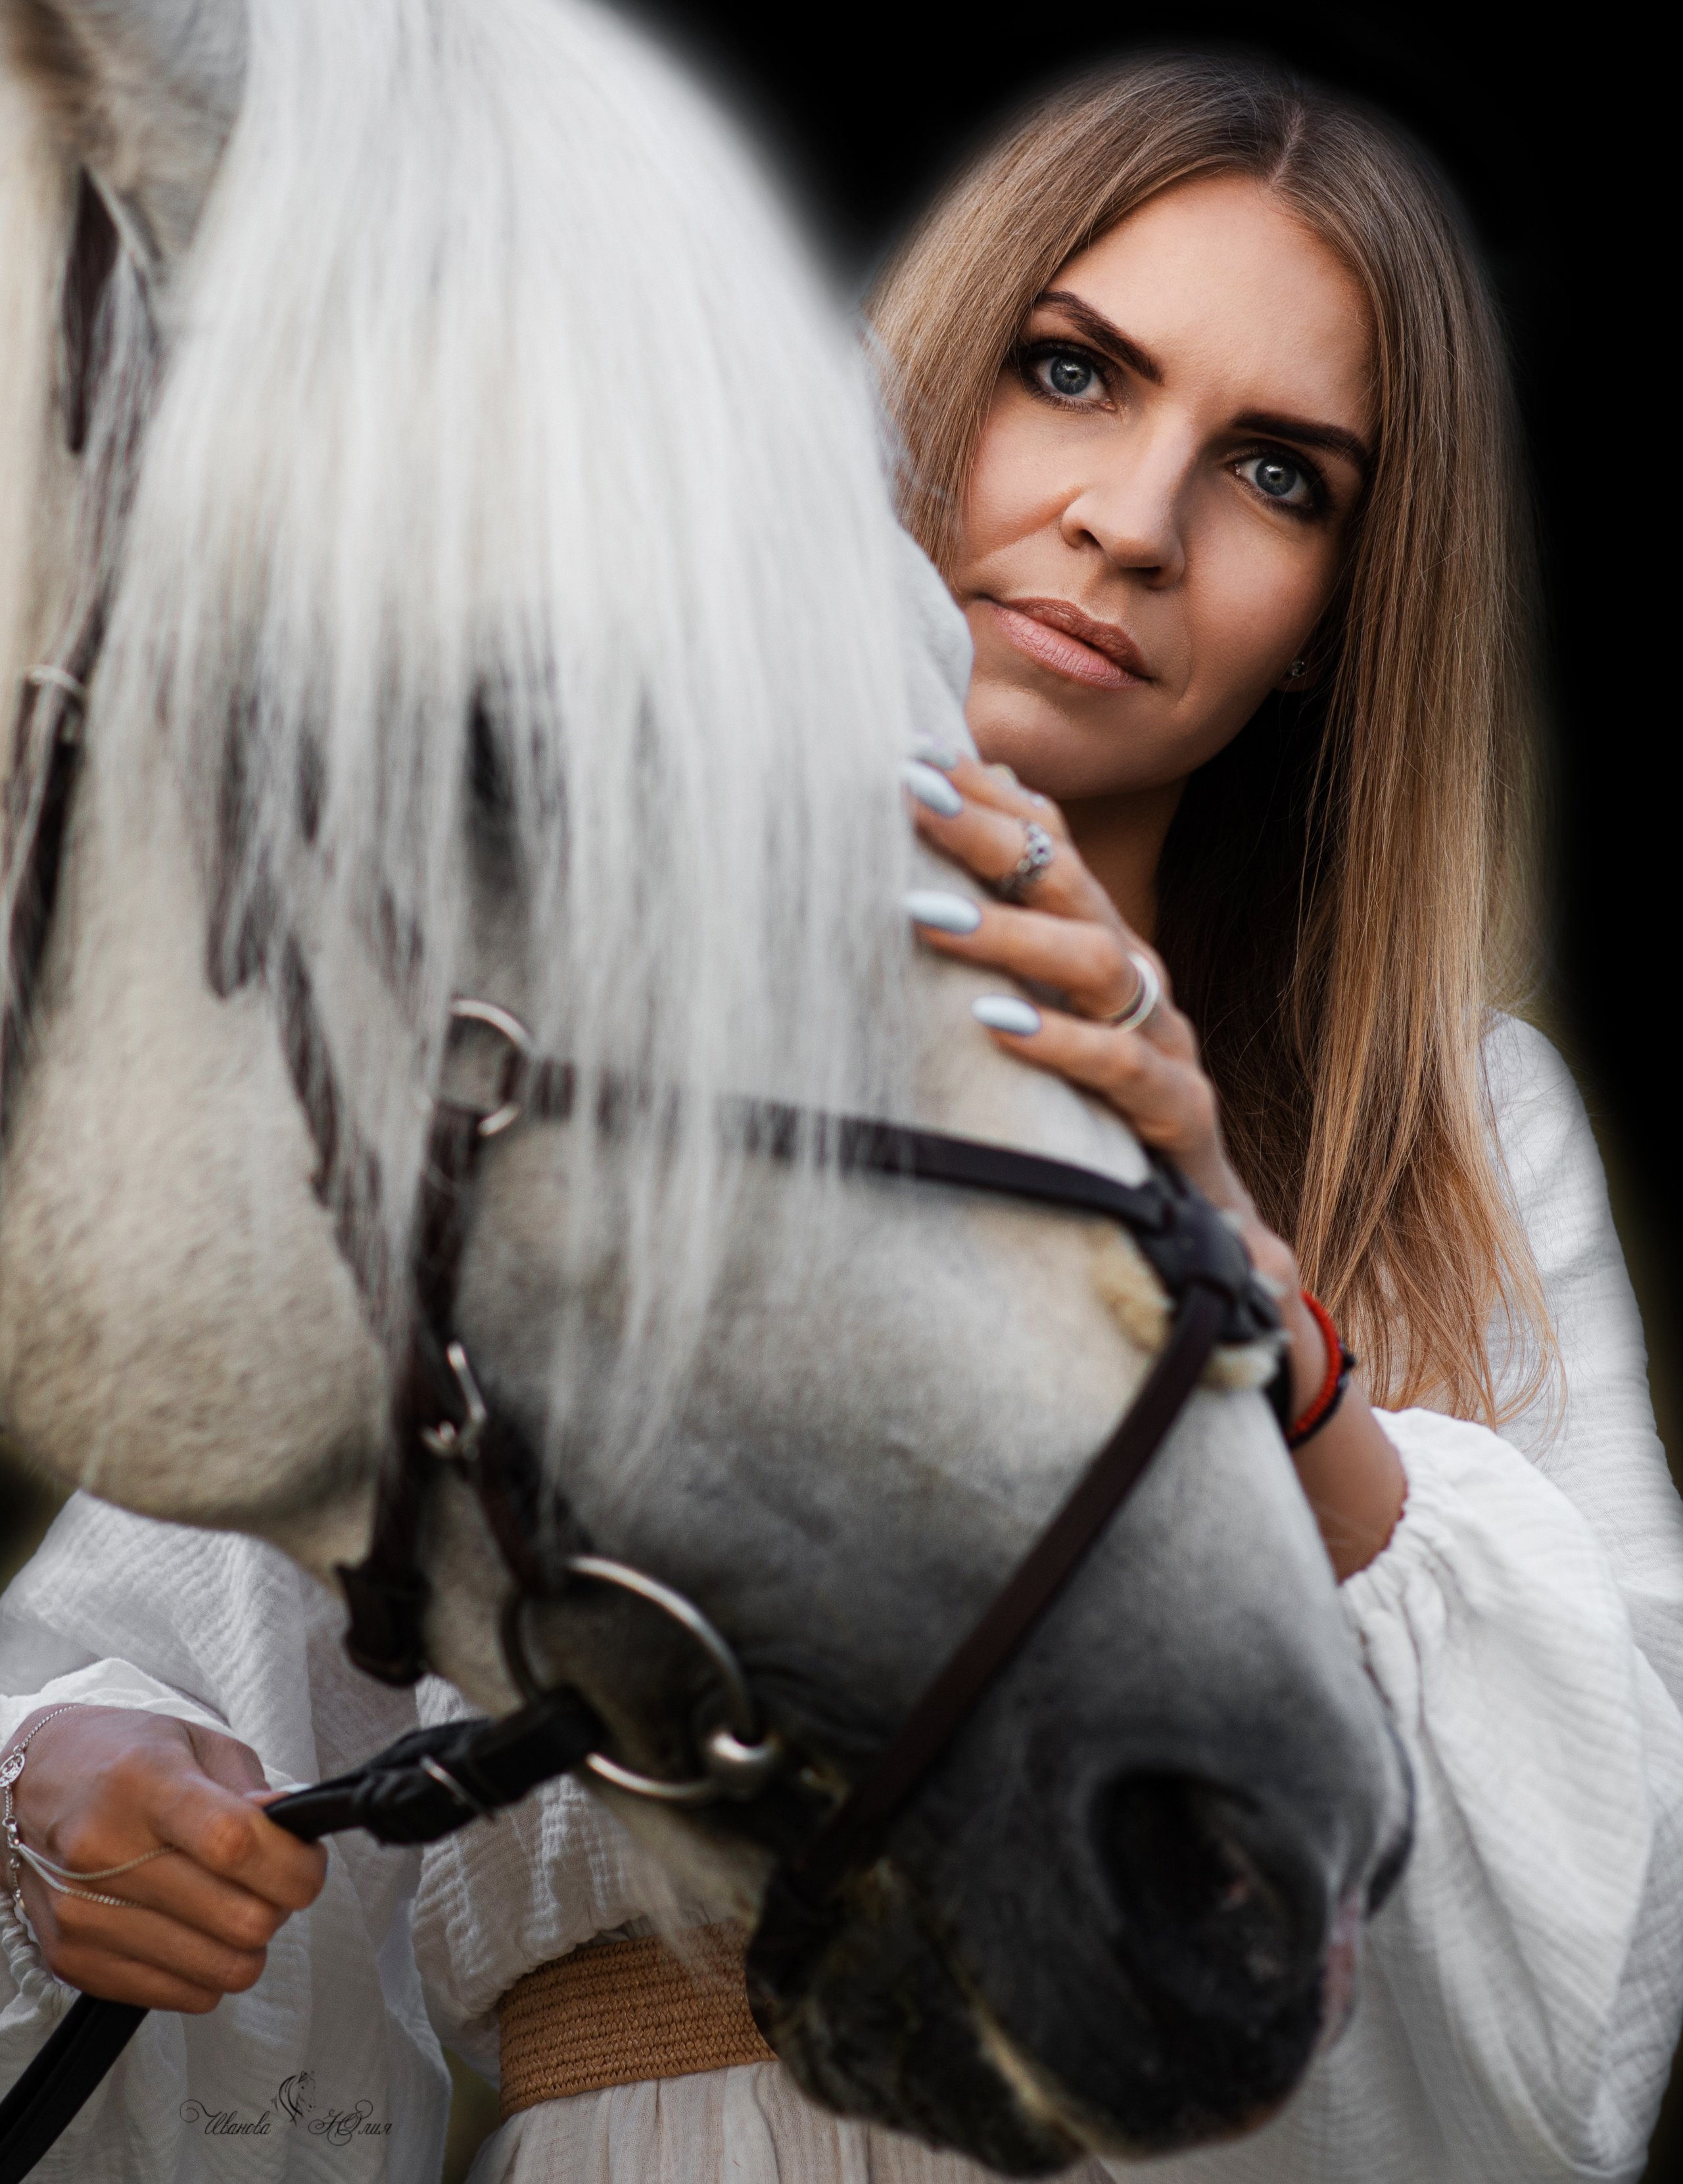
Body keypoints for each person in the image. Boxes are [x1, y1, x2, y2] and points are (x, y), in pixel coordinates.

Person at [418, 52, 1683, 2184]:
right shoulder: (515, 1018)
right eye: (1073, 371)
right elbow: (183, 1677)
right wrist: (83, 1788)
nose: (1133, 519)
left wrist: (1262, 1334)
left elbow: (1606, 1955)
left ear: (1333, 629)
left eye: (1281, 473)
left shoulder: (1457, 1133)